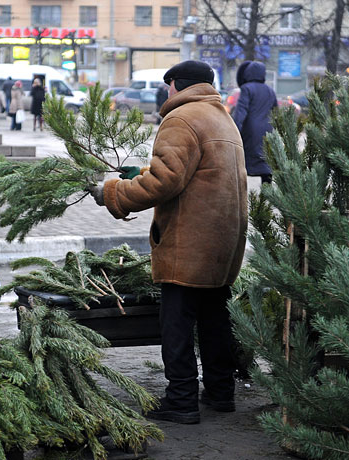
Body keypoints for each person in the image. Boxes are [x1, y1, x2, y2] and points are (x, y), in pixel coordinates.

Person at [87, 60, 247, 424]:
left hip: (188, 243)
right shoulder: (221, 117)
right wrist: (139, 173)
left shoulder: (180, 119)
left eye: (168, 85)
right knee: (214, 321)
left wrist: (110, 191)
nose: (166, 92)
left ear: (176, 85)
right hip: (221, 241)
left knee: (175, 324)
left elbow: (165, 182)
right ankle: (221, 394)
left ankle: (181, 401)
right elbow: (195, 173)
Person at [232, 61, 277, 185]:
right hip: (267, 130)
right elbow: (276, 112)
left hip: (250, 130)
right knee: (265, 162)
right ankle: (266, 193)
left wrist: (234, 130)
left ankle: (241, 192)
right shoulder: (270, 90)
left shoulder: (247, 88)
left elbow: (241, 112)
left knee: (243, 163)